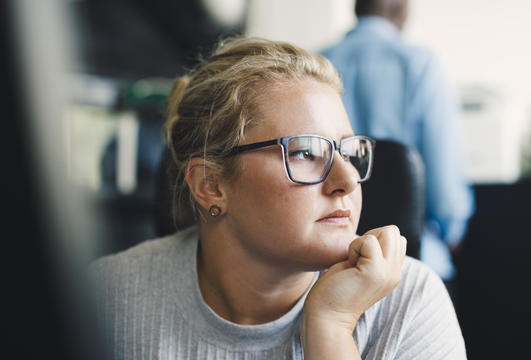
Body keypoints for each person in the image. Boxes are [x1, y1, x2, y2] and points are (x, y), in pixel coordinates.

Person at [90, 36, 466, 359]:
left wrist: (331, 326)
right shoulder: (105, 299)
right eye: (304, 152)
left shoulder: (410, 303)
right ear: (210, 185)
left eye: (348, 152)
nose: (348, 179)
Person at [321, 0, 475, 283]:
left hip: (331, 256)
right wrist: (452, 228)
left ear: (357, 8)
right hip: (408, 257)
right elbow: (443, 170)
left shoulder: (316, 63)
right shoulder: (420, 63)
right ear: (402, 11)